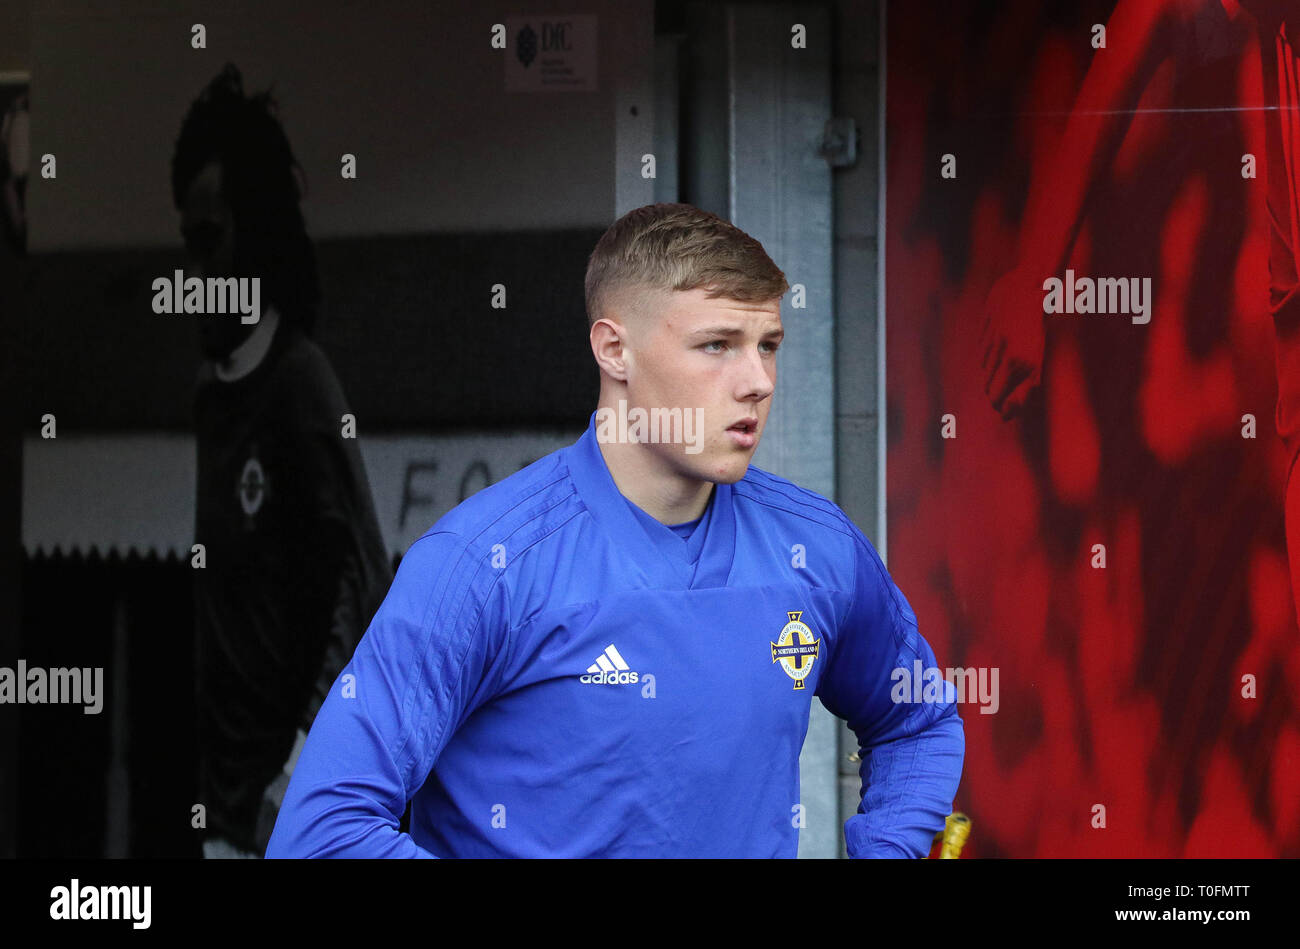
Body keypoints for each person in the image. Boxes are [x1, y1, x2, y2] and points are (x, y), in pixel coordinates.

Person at [267, 202, 964, 858]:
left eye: (768, 344)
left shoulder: (818, 548)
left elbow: (917, 720)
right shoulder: (483, 565)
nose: (757, 380)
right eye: (717, 344)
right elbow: (322, 833)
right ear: (614, 350)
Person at [173, 63, 393, 858]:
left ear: (255, 233)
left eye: (211, 241)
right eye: (185, 242)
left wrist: (302, 762)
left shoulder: (301, 382)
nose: (193, 273)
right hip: (224, 815)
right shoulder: (210, 394)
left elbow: (362, 575)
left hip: (293, 814)